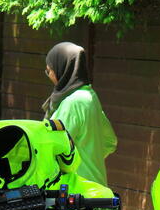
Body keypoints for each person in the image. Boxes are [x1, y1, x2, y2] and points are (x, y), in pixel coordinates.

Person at [43, 42, 117, 186]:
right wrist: (89, 158)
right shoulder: (89, 96)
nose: (49, 76)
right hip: (97, 189)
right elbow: (110, 141)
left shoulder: (72, 103)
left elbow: (52, 149)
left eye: (49, 70)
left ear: (63, 69)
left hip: (77, 194)